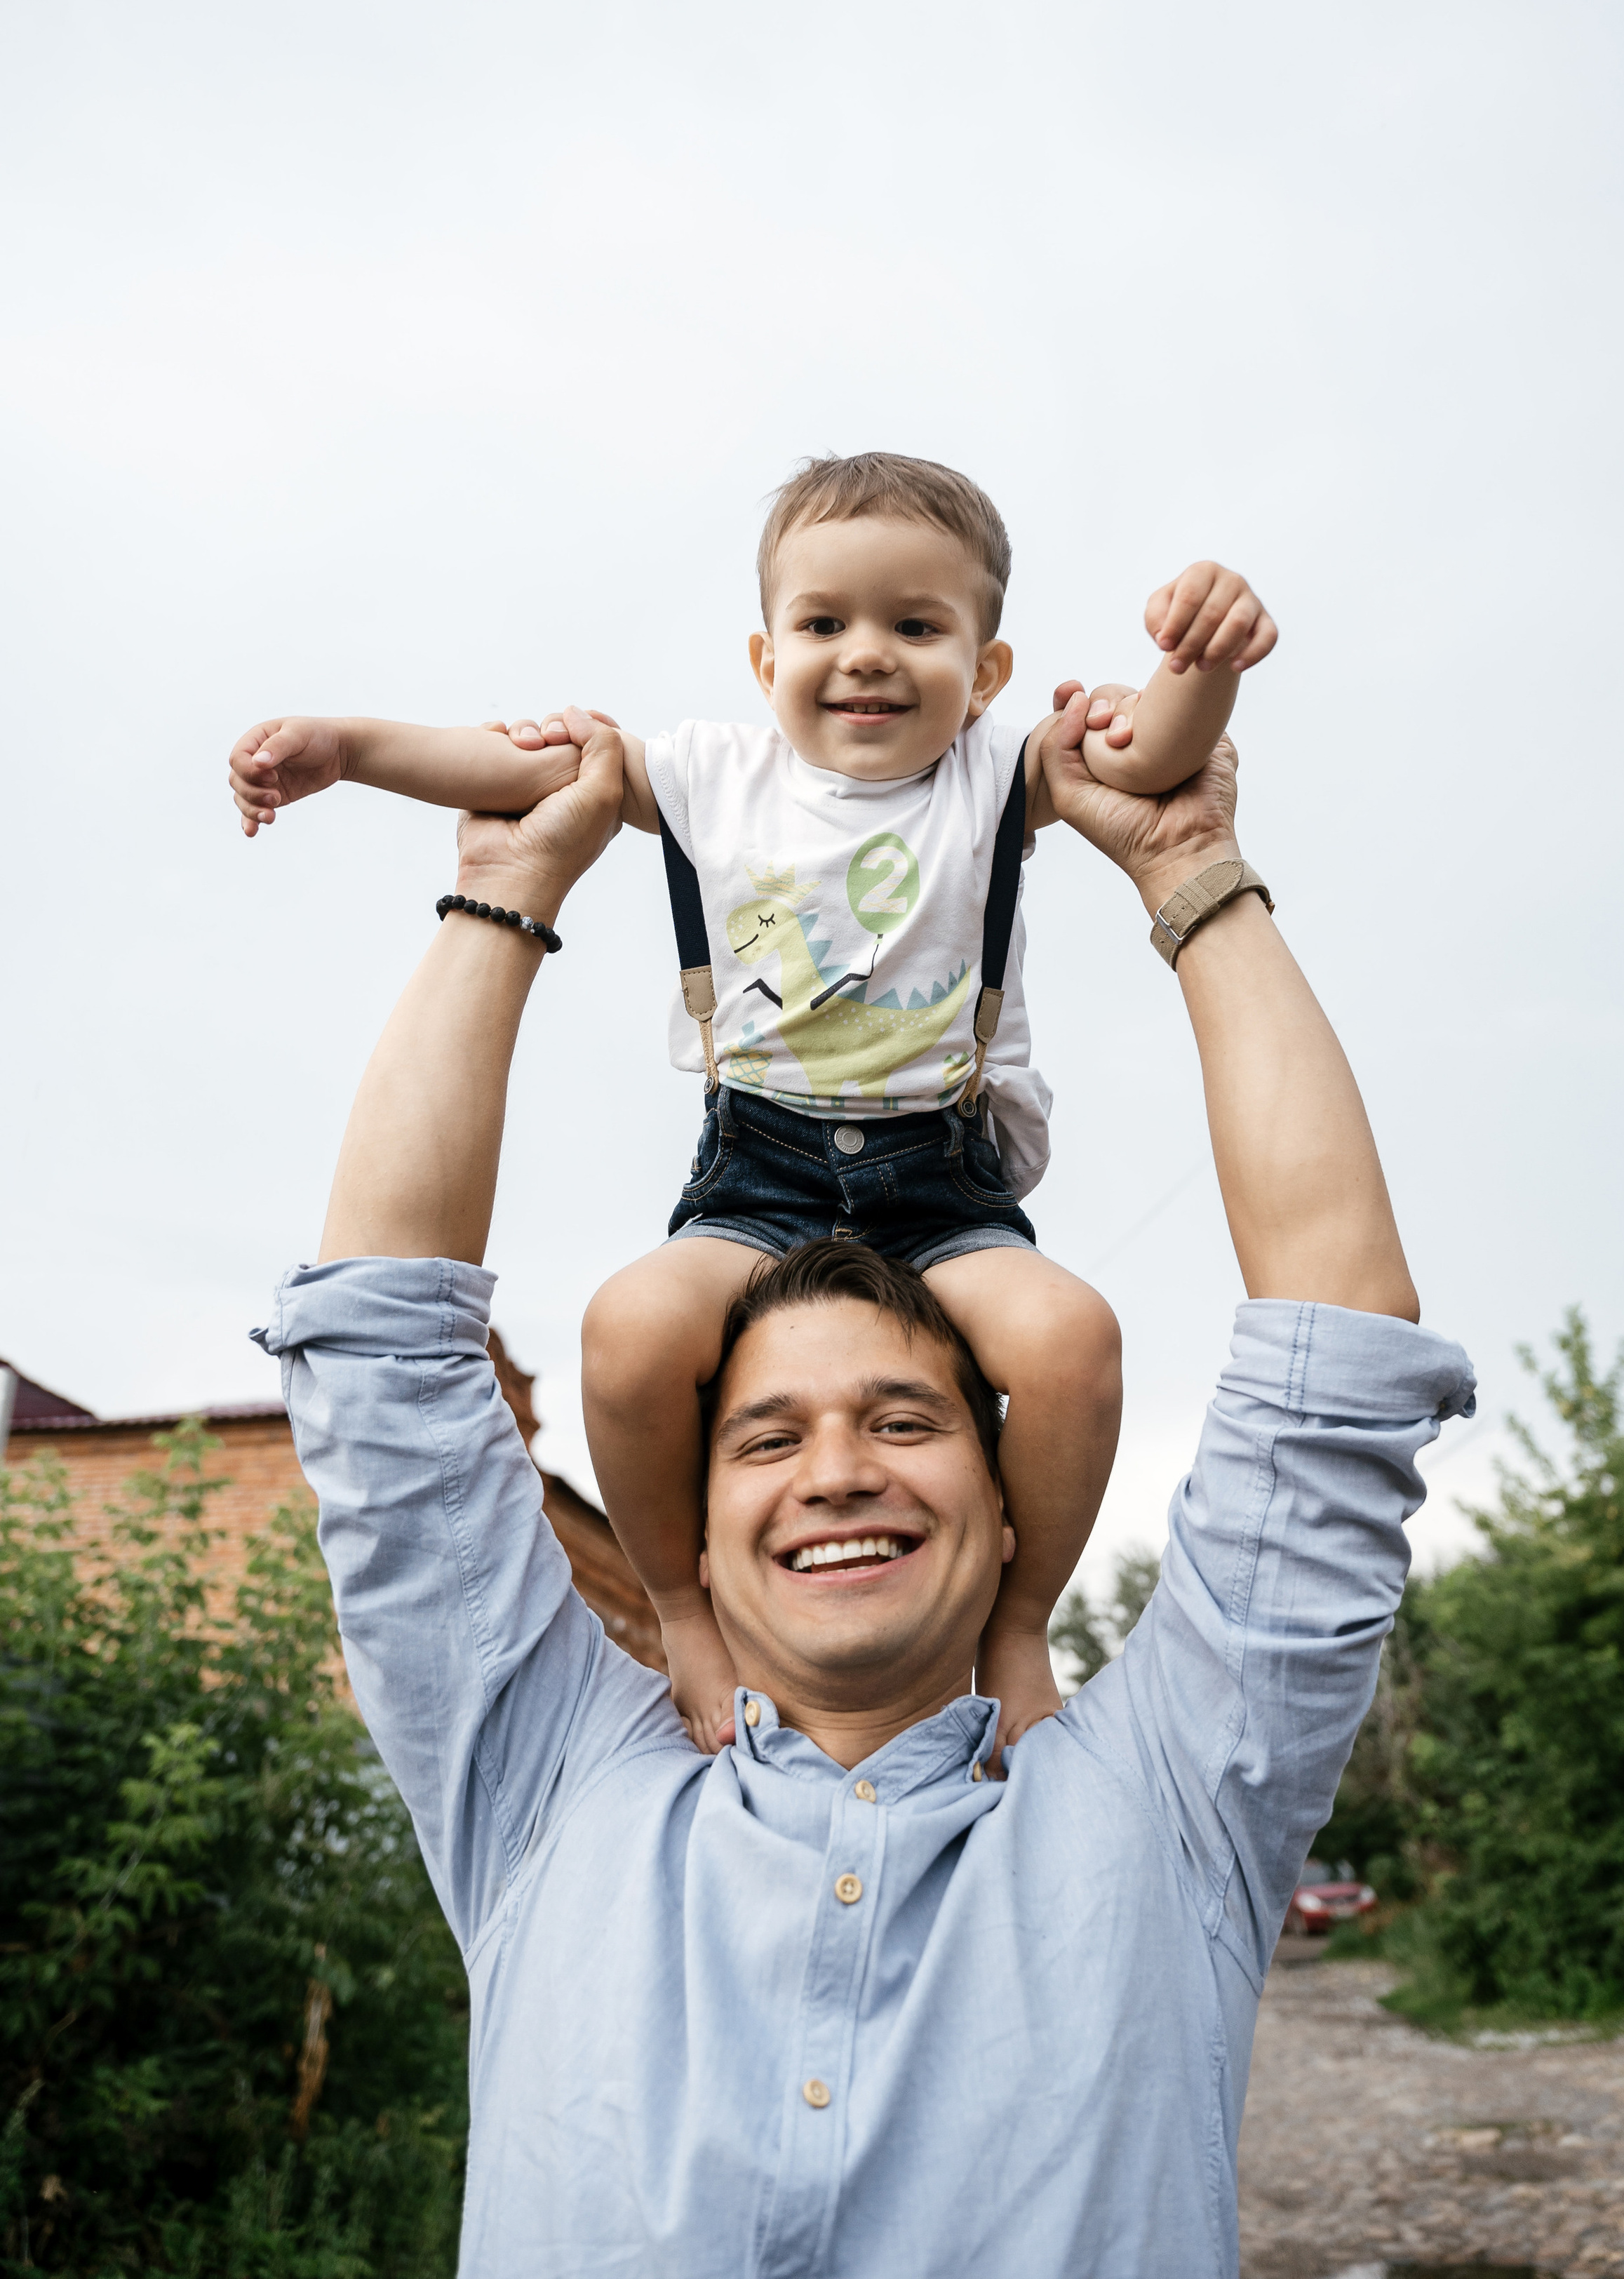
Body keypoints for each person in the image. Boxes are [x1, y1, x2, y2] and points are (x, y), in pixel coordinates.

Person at [255, 690, 1473, 2278]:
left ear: (1010, 1488)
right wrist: (504, 890)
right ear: (686, 1515)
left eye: (905, 1421)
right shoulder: (545, 1790)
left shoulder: (1171, 1806)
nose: (835, 1473)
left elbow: (1334, 1375)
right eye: (763, 1437)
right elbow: (387, 1381)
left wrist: (1189, 873)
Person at [227, 452, 1280, 1753]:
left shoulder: (1000, 774)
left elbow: (1156, 758)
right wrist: (351, 750)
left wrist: (1204, 661)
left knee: (1072, 1343)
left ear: (987, 670)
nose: (868, 657)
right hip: (761, 1176)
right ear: (763, 652)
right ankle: (683, 1606)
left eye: (917, 626)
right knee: (626, 1332)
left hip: (943, 1185)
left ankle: (1018, 1623)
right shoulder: (707, 776)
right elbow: (521, 771)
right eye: (824, 624)